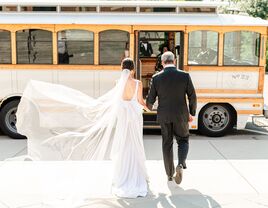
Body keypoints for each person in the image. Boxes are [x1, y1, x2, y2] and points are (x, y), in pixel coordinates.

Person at [15, 58, 149, 198]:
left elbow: (116, 103)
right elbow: (140, 101)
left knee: (122, 145)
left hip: (122, 120)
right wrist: (148, 107)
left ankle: (123, 176)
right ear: (133, 69)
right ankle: (136, 174)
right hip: (133, 120)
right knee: (134, 144)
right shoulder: (138, 84)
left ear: (122, 68)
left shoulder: (117, 83)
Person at [146, 51, 197, 184]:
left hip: (164, 115)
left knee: (167, 143)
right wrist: (191, 113)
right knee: (183, 140)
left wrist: (148, 107)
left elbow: (150, 99)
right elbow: (192, 96)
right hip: (181, 114)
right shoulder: (185, 76)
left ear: (162, 62)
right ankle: (180, 164)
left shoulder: (156, 78)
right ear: (174, 61)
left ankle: (169, 174)